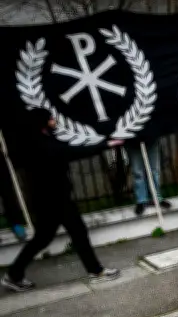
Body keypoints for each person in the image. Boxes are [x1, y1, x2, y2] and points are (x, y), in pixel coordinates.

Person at [2, 108, 121, 292]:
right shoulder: (41, 143)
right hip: (54, 199)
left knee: (43, 238)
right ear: (43, 122)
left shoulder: (40, 140)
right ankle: (96, 271)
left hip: (50, 199)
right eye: (51, 118)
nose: (54, 120)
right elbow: (72, 152)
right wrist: (105, 145)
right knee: (77, 232)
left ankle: (14, 275)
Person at [126, 139, 172, 216]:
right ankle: (142, 200)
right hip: (133, 141)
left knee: (154, 171)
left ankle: (157, 198)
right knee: (138, 172)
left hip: (151, 139)